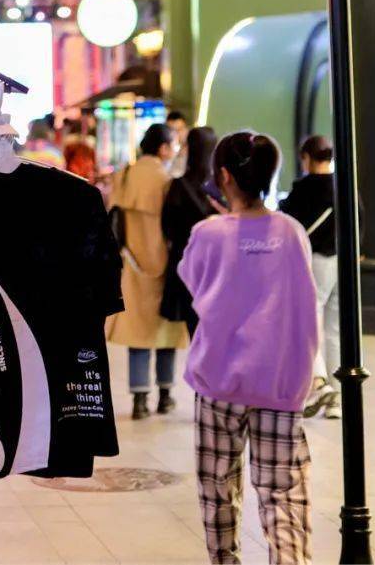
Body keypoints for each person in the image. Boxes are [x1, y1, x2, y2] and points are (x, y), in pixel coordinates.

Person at [180, 131, 319, 565]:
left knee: (218, 492)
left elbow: (192, 281)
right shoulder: (291, 232)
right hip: (280, 384)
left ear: (223, 175)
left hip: (218, 380)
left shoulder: (208, 233)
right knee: (283, 494)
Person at [106, 122, 188, 418]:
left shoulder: (125, 174)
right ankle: (165, 395)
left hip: (132, 263)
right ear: (164, 148)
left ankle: (139, 400)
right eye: (174, 144)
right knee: (165, 328)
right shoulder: (168, 181)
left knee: (137, 331)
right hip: (165, 264)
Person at [281, 135, 342, 420]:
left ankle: (319, 384)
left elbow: (287, 223)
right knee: (334, 329)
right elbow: (360, 219)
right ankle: (337, 396)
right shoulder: (343, 185)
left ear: (306, 157)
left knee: (308, 322)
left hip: (313, 262)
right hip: (342, 262)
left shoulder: (302, 189)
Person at [161, 126, 224, 336]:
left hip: (187, 265)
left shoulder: (179, 186)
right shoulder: (224, 187)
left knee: (195, 332)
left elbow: (168, 229)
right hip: (220, 267)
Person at [166, 109, 190, 175]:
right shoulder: (171, 153)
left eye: (180, 129)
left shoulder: (195, 152)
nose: (177, 134)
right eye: (173, 131)